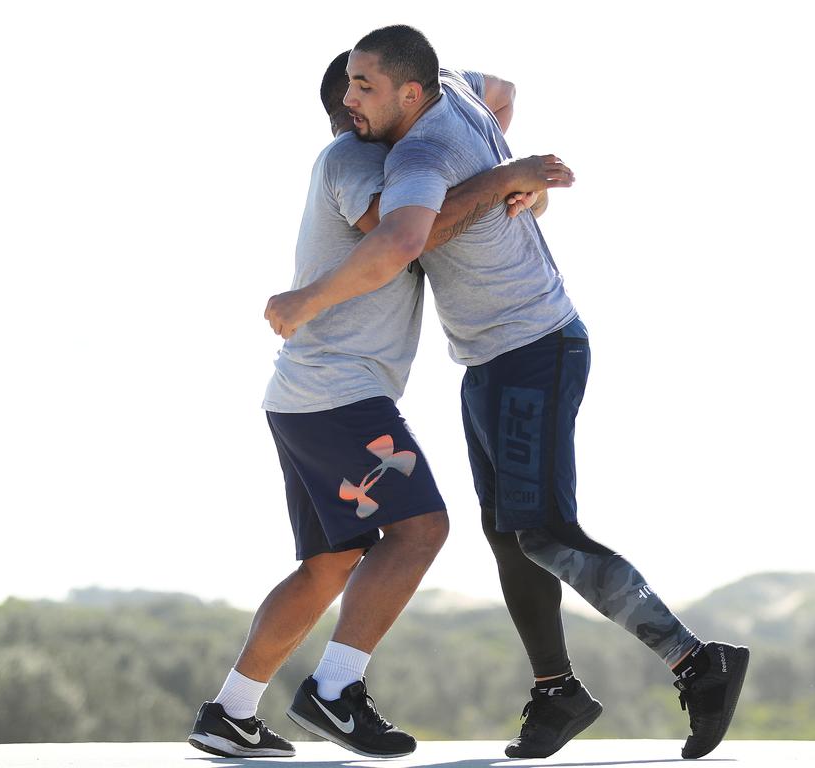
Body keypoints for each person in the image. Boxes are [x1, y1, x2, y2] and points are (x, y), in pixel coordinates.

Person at [264, 26, 750, 761]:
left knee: (545, 530)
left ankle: (696, 662)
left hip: (534, 347)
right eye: (347, 87)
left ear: (411, 90)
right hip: (489, 357)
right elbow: (505, 94)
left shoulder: (419, 155)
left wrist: (302, 303)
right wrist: (510, 173)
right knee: (508, 532)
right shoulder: (459, 84)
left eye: (363, 87)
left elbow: (398, 244)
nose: (348, 100)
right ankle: (556, 690)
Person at [187, 50, 576, 760]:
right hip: (340, 393)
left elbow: (501, 93)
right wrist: (504, 180)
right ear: (349, 111)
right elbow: (406, 238)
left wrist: (519, 184)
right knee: (422, 529)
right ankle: (335, 690)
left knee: (328, 565)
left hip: (306, 395)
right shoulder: (354, 160)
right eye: (361, 99)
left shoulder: (423, 122)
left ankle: (230, 711)